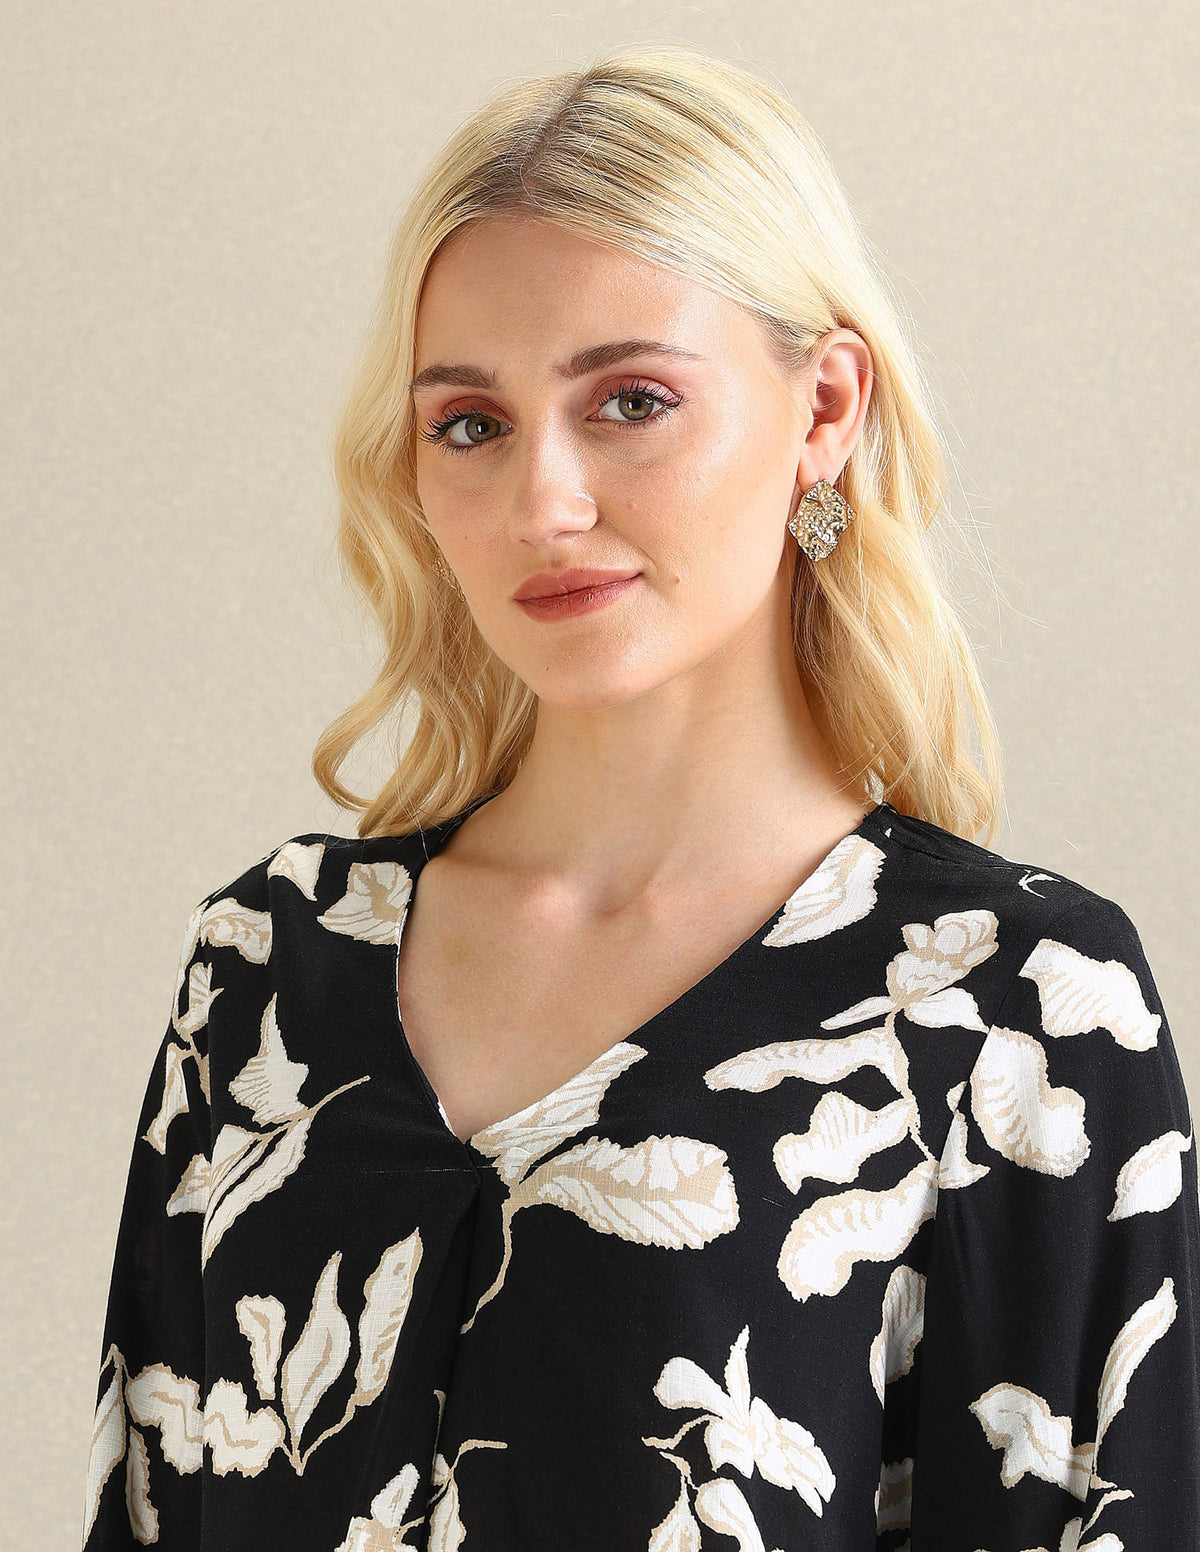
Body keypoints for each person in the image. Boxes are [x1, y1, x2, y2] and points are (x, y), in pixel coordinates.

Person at [80, 42, 1199, 1552]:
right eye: (470, 424)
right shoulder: (266, 970)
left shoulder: (1019, 1009)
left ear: (825, 409)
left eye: (632, 401)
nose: (542, 501)